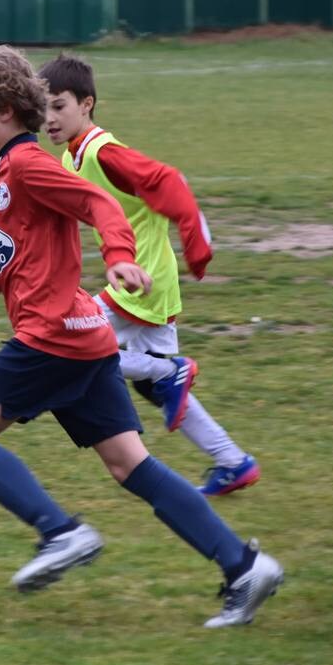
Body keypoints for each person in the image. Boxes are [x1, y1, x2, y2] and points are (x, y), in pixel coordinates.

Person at [0, 45, 281, 627]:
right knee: (128, 464)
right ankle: (244, 567)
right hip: (84, 336)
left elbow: (98, 202)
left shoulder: (26, 164)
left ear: (5, 109)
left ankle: (60, 534)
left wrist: (119, 256)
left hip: (50, 338)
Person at [39, 53, 259, 497]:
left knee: (73, 347)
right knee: (153, 386)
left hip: (139, 280)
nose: (48, 117)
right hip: (141, 281)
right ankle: (233, 462)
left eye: (58, 105)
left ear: (88, 104)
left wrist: (197, 245)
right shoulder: (70, 159)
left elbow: (170, 181)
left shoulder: (105, 152)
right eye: (41, 107)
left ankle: (169, 371)